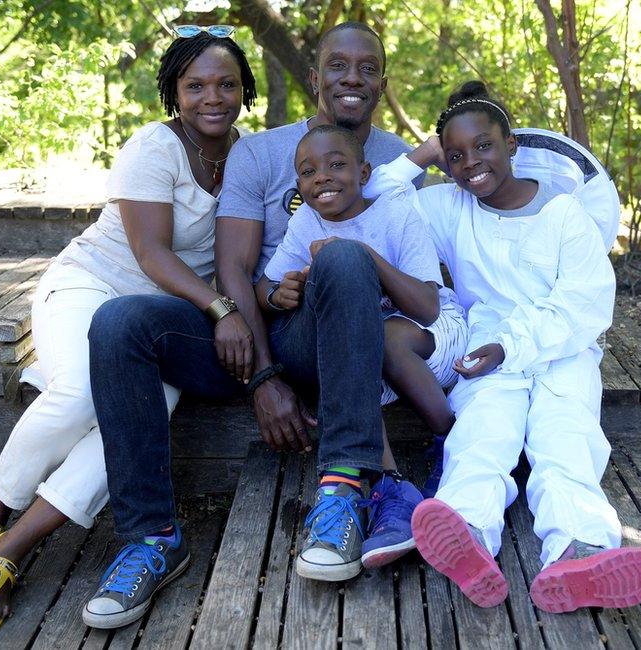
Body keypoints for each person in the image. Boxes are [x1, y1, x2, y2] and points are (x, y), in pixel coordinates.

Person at [85, 22, 437, 623]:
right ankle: (151, 539)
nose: (352, 79)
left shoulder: (399, 166)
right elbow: (234, 266)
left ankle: (345, 489)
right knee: (120, 322)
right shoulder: (261, 152)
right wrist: (264, 379)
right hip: (253, 340)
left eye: (367, 68)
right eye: (337, 66)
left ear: (382, 80)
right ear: (313, 75)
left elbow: (419, 280)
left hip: (337, 342)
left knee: (347, 256)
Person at [0, 27, 257, 633]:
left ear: (246, 89)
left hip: (156, 324)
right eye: (195, 86)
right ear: (174, 92)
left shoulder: (249, 155)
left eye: (226, 84)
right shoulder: (153, 147)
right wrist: (222, 309)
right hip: (94, 287)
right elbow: (151, 255)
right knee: (85, 393)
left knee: (138, 416)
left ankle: (17, 544)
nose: (212, 97)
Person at [365, 81, 641, 611]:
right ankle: (467, 533)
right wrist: (427, 153)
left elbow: (583, 303)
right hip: (486, 347)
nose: (470, 163)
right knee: (483, 428)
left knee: (564, 433)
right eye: (455, 155)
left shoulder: (564, 214)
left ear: (513, 145)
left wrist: (512, 346)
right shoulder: (449, 207)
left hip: (561, 349)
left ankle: (579, 547)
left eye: (484, 146)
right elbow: (379, 197)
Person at [256, 125, 468, 574]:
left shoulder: (394, 212)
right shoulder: (305, 221)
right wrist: (279, 293)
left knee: (382, 332)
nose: (323, 177)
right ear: (298, 186)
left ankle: (450, 440)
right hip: (365, 343)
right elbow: (265, 285)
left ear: (364, 171)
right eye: (309, 171)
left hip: (426, 335)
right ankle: (390, 486)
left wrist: (364, 256)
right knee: (357, 341)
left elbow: (428, 307)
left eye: (337, 165)